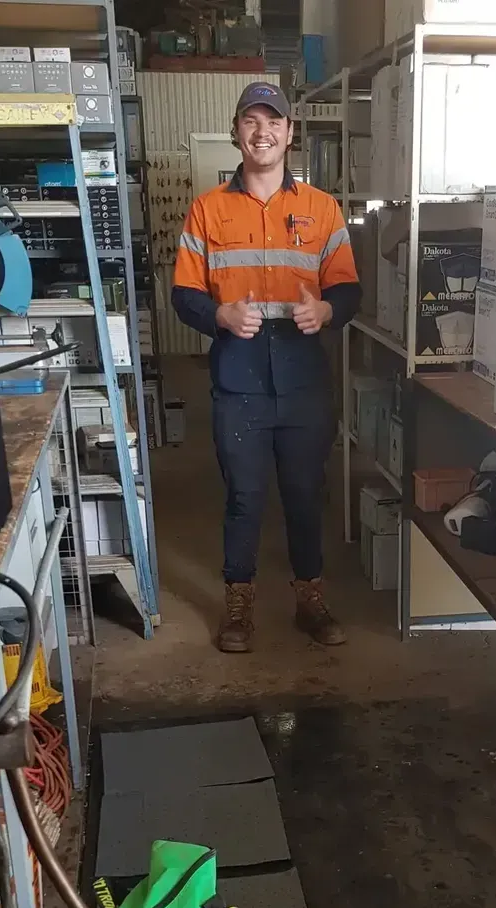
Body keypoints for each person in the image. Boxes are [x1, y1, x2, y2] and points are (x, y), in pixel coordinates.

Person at [172, 82, 362, 653]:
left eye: (273, 121)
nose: (263, 132)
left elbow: (349, 289)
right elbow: (183, 294)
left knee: (306, 494)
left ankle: (310, 600)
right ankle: (239, 605)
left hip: (304, 378)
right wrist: (220, 315)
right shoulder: (207, 209)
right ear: (237, 131)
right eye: (252, 121)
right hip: (240, 379)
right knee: (244, 499)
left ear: (290, 133)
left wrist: (327, 308)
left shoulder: (322, 208)